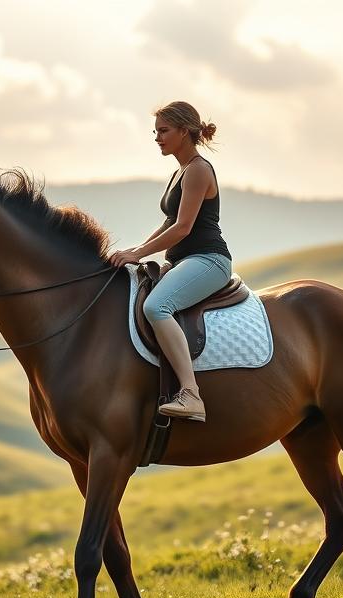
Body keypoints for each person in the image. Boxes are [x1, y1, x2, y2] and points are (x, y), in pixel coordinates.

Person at [106, 101, 233, 423]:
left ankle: (191, 394)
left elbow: (182, 228)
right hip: (183, 261)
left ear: (184, 131)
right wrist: (136, 249)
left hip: (208, 260)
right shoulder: (180, 171)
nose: (157, 138)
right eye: (155, 132)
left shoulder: (199, 169)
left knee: (156, 307)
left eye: (163, 131)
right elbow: (168, 223)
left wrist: (139, 254)